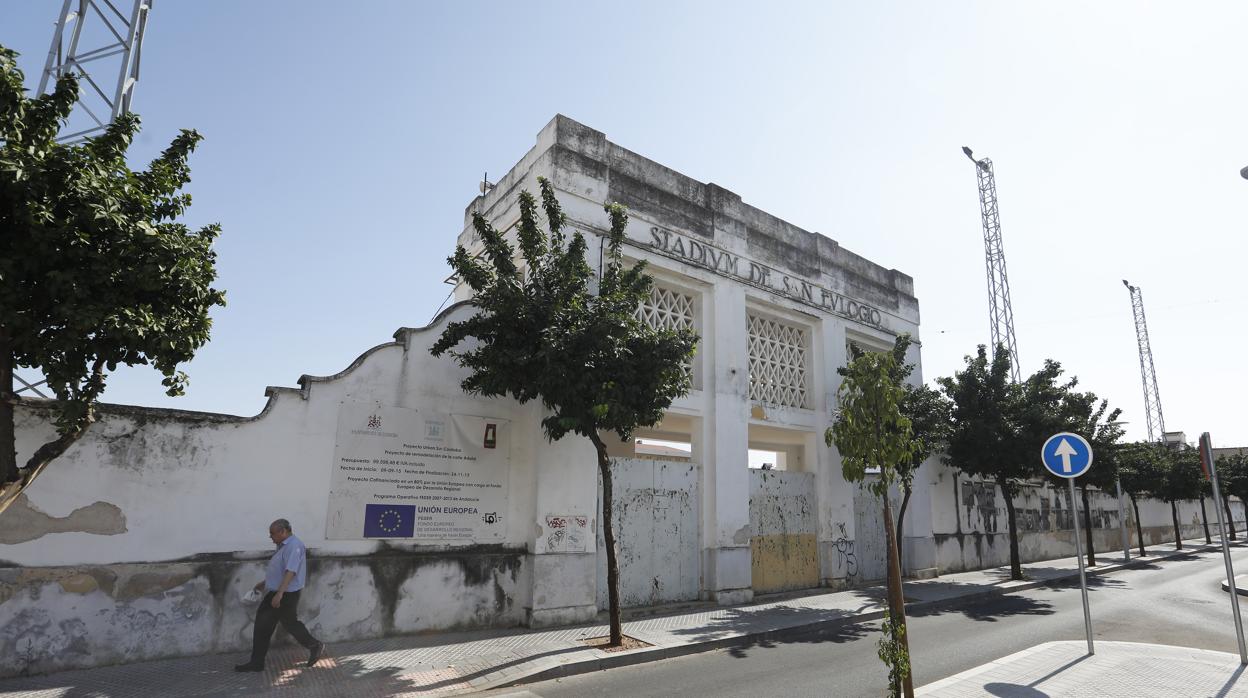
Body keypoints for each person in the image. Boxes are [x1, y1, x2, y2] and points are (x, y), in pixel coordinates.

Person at [235, 518, 325, 672]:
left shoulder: (294, 546)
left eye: (272, 533)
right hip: (280, 592)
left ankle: (257, 662)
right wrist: (264, 583)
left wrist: (279, 594)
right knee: (289, 623)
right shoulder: (284, 546)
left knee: (265, 625)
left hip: (285, 594)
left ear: (283, 531)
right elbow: (281, 570)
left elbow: (291, 571)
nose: (270, 537)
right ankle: (314, 645)